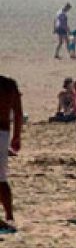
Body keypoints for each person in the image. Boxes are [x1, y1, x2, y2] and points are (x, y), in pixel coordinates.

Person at [0, 73, 20, 232]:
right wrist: (16, 136)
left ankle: (8, 216)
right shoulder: (9, 85)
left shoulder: (8, 85)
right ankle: (9, 216)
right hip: (3, 133)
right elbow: (18, 113)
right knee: (1, 178)